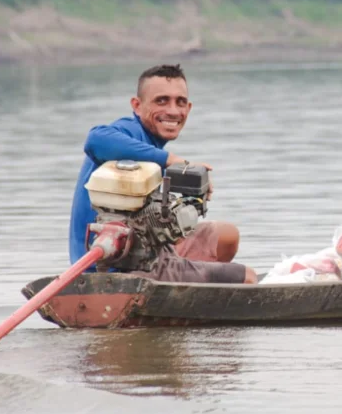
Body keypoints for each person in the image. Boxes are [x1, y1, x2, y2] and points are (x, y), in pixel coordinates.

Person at [68, 64, 257, 284]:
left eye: (181, 102)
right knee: (248, 279)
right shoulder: (129, 131)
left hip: (146, 249)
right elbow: (96, 139)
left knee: (227, 236)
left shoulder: (151, 149)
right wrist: (172, 161)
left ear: (189, 108)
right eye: (161, 101)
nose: (173, 111)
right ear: (137, 106)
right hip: (115, 267)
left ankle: (190, 287)